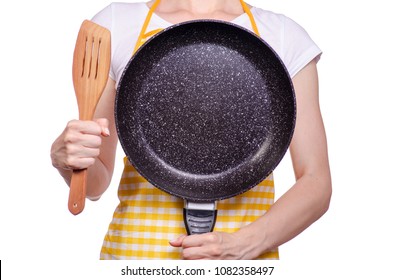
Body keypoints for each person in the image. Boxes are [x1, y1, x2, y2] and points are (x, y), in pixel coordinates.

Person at [50, 0, 331, 260]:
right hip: (137, 258)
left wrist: (246, 242)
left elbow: (316, 181)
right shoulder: (115, 24)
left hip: (244, 262)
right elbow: (96, 182)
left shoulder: (283, 35)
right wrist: (68, 160)